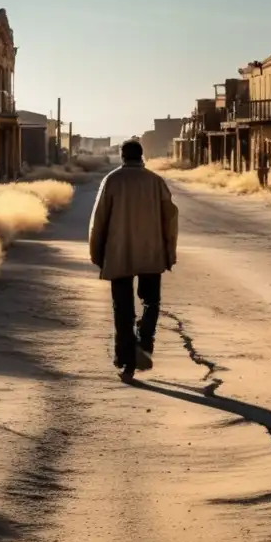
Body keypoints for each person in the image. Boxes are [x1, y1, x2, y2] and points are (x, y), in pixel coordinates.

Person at [88, 139, 179, 382]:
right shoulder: (155, 182)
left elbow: (99, 221)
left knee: (122, 308)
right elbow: (170, 221)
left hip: (118, 254)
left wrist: (97, 253)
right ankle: (145, 342)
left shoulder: (112, 180)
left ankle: (126, 360)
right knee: (151, 302)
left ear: (122, 156)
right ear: (141, 156)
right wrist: (169, 253)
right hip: (151, 252)